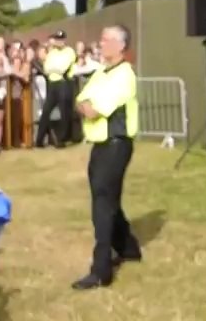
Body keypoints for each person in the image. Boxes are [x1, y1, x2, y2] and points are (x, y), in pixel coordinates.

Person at [71, 24, 142, 290]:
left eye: (107, 40)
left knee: (102, 203)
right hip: (100, 144)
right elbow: (81, 100)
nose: (101, 44)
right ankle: (129, 248)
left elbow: (94, 109)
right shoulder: (101, 72)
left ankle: (101, 270)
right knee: (107, 199)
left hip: (116, 144)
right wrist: (87, 105)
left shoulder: (125, 75)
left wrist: (88, 106)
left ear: (121, 46)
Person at [37, 30, 78, 148]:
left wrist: (54, 67)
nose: (58, 42)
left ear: (64, 40)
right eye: (57, 39)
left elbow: (62, 68)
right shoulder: (52, 52)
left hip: (63, 83)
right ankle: (39, 140)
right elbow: (46, 68)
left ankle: (62, 139)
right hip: (53, 84)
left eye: (60, 39)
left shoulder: (69, 52)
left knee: (64, 112)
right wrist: (54, 67)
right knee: (46, 111)